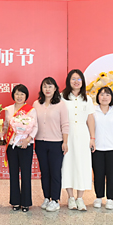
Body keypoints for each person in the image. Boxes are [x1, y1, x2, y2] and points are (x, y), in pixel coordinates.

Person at [33, 77, 69, 213]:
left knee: (55, 172)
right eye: (45, 86)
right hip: (40, 143)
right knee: (44, 172)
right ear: (41, 89)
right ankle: (46, 197)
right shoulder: (36, 104)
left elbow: (65, 124)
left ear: (55, 89)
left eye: (50, 86)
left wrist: (65, 142)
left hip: (56, 143)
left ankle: (55, 200)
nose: (47, 89)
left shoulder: (61, 105)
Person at [61, 69, 95, 211]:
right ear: (69, 81)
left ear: (83, 81)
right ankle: (70, 197)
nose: (76, 81)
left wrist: (92, 137)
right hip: (67, 134)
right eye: (73, 79)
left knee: (83, 164)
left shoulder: (87, 99)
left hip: (82, 134)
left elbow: (90, 118)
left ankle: (80, 198)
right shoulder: (62, 97)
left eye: (79, 79)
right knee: (68, 164)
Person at [1, 84, 37, 212]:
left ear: (26, 96)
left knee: (26, 174)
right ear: (13, 95)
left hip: (25, 145)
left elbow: (35, 127)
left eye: (22, 94)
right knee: (13, 174)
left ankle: (26, 203)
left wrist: (28, 139)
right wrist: (2, 132)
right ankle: (15, 201)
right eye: (17, 93)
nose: (19, 96)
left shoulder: (31, 110)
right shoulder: (8, 109)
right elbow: (6, 126)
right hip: (12, 146)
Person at [92, 87, 113, 210]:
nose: (104, 97)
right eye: (102, 94)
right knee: (98, 175)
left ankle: (110, 199)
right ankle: (98, 197)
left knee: (112, 175)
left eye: (107, 94)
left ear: (111, 97)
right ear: (98, 97)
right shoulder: (93, 111)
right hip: (97, 149)